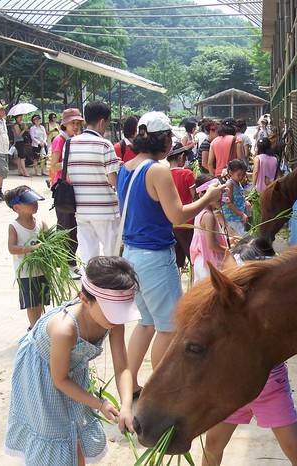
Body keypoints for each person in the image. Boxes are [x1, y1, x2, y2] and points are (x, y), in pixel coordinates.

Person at [116, 111, 227, 395]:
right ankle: (160, 393)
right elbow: (176, 215)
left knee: (146, 322)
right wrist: (207, 199)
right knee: (168, 327)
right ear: (165, 140)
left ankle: (130, 386)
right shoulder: (157, 170)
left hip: (131, 254)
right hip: (153, 257)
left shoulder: (126, 168)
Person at [5, 256, 139, 465]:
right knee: (56, 437)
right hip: (43, 376)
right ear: (85, 299)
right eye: (112, 311)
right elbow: (59, 379)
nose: (117, 318)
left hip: (71, 372)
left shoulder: (114, 321)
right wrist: (99, 403)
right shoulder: (64, 329)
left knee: (76, 434)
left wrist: (127, 406)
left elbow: (122, 367)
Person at [201, 237, 297, 466]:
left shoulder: (276, 311)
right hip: (230, 389)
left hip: (270, 389)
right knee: (213, 443)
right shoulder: (223, 309)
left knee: (296, 450)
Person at [67, 101, 121, 263]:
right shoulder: (105, 145)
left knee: (88, 255)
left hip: (82, 209)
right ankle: (111, 287)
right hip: (105, 209)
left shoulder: (70, 143)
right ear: (102, 121)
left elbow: (69, 176)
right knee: (112, 255)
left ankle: (88, 286)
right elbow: (113, 180)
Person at [4, 185, 50, 329]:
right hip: (25, 272)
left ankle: (38, 325)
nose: (34, 205)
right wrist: (32, 248)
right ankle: (34, 328)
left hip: (41, 269)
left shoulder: (41, 223)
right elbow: (12, 248)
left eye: (35, 201)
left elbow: (49, 240)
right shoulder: (14, 226)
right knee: (31, 303)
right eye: (29, 203)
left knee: (41, 300)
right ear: (16, 207)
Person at [50, 108, 84, 279]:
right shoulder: (60, 140)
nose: (76, 126)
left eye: (78, 123)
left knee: (71, 227)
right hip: (64, 189)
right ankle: (69, 265)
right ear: (65, 124)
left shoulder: (74, 139)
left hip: (74, 188)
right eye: (73, 123)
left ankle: (67, 263)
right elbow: (54, 165)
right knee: (67, 229)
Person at [190, 173, 228, 282]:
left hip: (202, 261)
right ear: (201, 194)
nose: (220, 197)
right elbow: (212, 245)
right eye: (216, 193)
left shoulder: (200, 212)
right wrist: (229, 250)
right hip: (210, 263)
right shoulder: (208, 216)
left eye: (220, 192)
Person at [168, 142, 196, 272]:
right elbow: (194, 196)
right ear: (181, 156)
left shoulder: (164, 174)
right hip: (187, 221)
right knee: (193, 257)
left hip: (170, 222)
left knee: (176, 260)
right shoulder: (187, 174)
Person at [221, 158, 249, 236]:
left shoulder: (238, 182)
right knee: (237, 236)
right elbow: (229, 204)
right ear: (230, 173)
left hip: (238, 214)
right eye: (239, 175)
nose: (241, 177)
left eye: (243, 175)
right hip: (232, 217)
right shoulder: (230, 184)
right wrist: (241, 214)